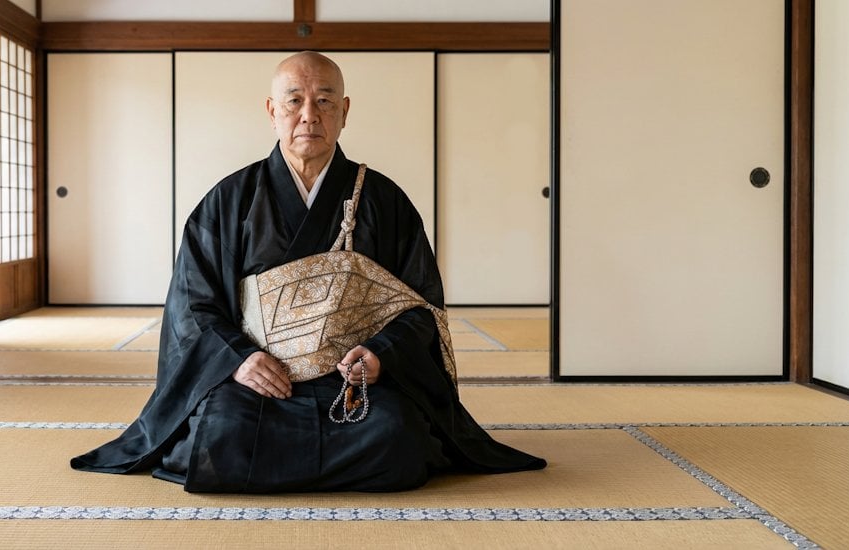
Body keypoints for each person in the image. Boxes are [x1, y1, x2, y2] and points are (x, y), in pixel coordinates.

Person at [71, 51, 546, 492]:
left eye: (324, 101)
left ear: (344, 110)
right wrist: (239, 360)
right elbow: (194, 305)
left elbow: (422, 306)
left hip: (350, 381)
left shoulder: (383, 201)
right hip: (261, 380)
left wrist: (380, 355)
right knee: (220, 434)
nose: (309, 116)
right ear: (271, 111)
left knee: (397, 434)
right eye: (294, 101)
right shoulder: (229, 201)